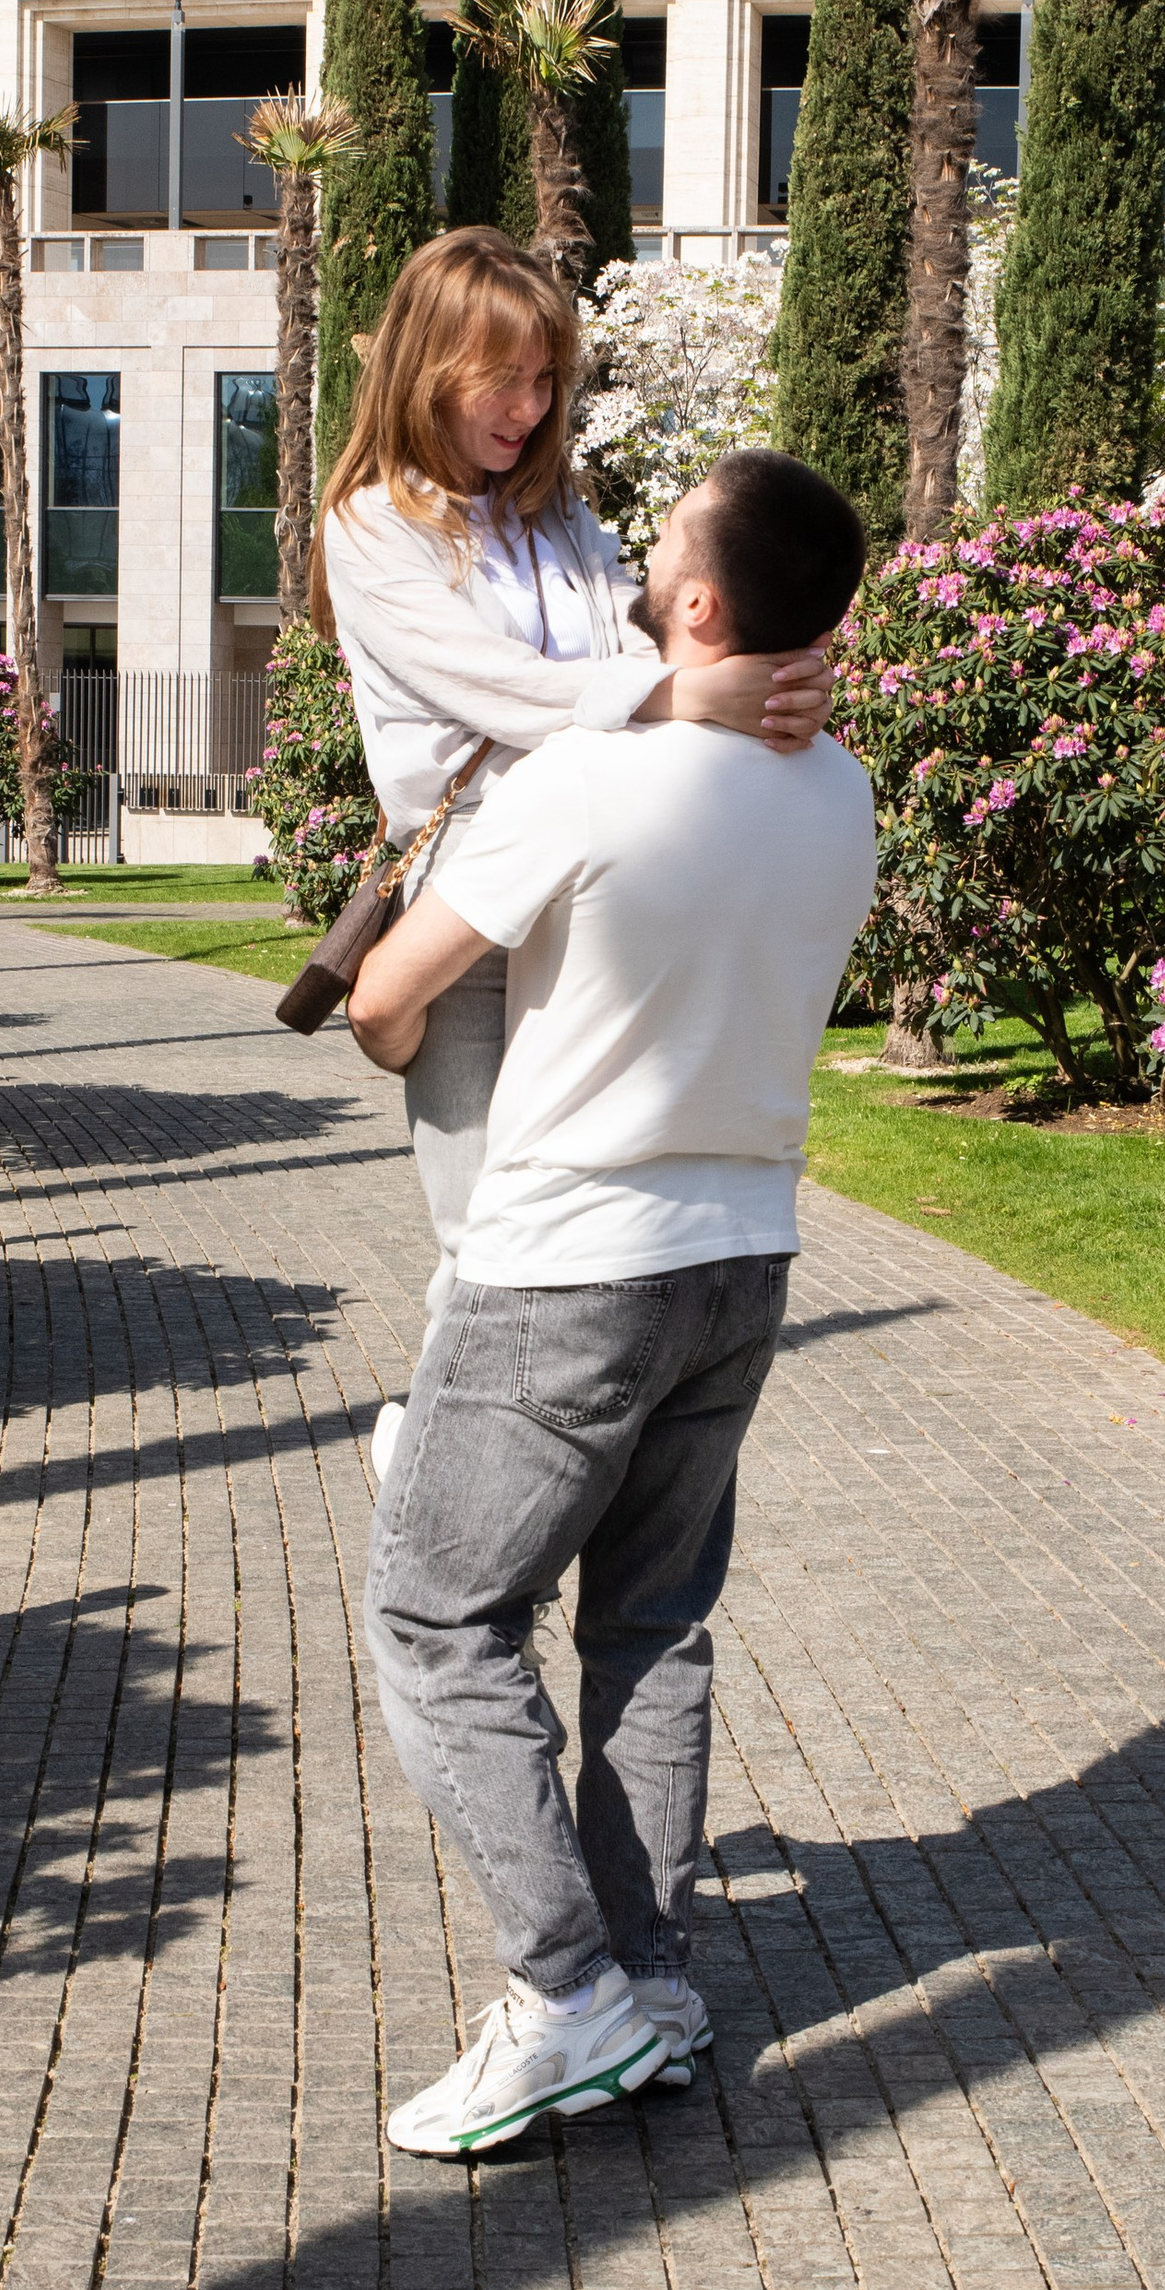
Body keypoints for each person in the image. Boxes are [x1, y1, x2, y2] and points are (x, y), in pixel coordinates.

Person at [342, 447, 875, 2158]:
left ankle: (563, 1993)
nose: (638, 566)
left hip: (569, 1261)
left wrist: (409, 1037)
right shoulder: (844, 789)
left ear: (703, 606)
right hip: (743, 1255)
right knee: (650, 1626)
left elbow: (387, 991)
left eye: (660, 553)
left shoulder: (581, 781)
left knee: (438, 1618)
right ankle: (648, 1977)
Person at [312, 229, 834, 1407]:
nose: (528, 404)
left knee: (588, 1215)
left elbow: (638, 634)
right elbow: (487, 683)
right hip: (476, 890)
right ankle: (439, 1510)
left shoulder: (554, 510)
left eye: (545, 376)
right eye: (502, 376)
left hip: (604, 874)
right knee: (484, 1230)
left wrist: (776, 679)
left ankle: (521, 1494)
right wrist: (682, 692)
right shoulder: (370, 525)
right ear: (426, 368)